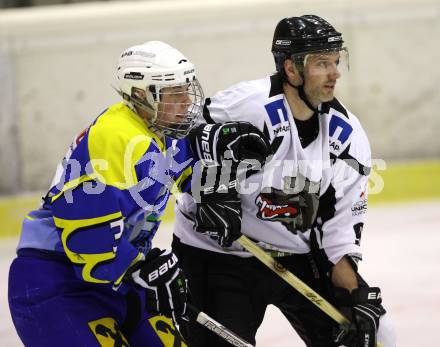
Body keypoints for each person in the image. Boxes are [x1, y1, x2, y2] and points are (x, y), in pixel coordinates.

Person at [7, 40, 270, 347]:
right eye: (175, 93)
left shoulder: (157, 130)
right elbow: (87, 243)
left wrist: (216, 173)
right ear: (142, 95)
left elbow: (185, 168)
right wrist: (143, 269)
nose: (186, 101)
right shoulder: (115, 138)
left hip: (117, 280)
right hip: (59, 284)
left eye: (186, 89)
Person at [172, 15, 396, 347]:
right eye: (322, 63)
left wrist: (354, 293)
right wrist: (202, 188)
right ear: (291, 69)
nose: (335, 73)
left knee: (373, 335)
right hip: (219, 256)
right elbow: (175, 147)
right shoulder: (247, 107)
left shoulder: (347, 138)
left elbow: (339, 229)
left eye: (336, 61)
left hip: (295, 254)